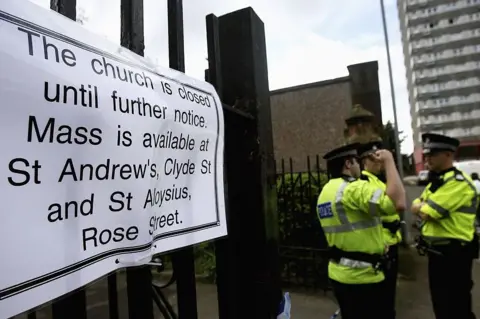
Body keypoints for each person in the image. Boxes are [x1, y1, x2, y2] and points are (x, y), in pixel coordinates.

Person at [317, 143, 406, 319]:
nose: (360, 166)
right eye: (357, 161)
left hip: (339, 273)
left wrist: (379, 243)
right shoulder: (353, 188)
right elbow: (398, 202)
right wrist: (388, 160)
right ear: (348, 164)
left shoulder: (325, 192)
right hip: (363, 277)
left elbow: (351, 229)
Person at [411, 133, 479, 319]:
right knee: (441, 308)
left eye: (433, 154)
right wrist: (420, 206)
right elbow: (416, 204)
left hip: (454, 255)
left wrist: (421, 206)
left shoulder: (458, 183)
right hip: (437, 254)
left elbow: (427, 211)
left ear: (449, 155)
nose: (427, 159)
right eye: (426, 155)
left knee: (456, 309)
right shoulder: (438, 182)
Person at [358, 141, 401, 319]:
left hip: (392, 243)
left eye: (379, 158)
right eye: (373, 158)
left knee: (389, 298)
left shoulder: (378, 181)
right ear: (364, 161)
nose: (378, 162)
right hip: (381, 245)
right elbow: (397, 203)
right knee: (381, 301)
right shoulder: (363, 181)